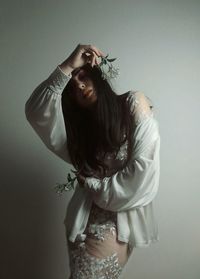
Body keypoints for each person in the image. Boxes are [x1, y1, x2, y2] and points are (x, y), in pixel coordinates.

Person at [25, 44, 161, 279]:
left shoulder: (133, 104)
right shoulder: (81, 136)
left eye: (83, 76)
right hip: (82, 221)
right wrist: (68, 65)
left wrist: (95, 185)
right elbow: (35, 111)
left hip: (115, 225)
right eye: (73, 88)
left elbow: (143, 172)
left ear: (97, 77)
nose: (79, 85)